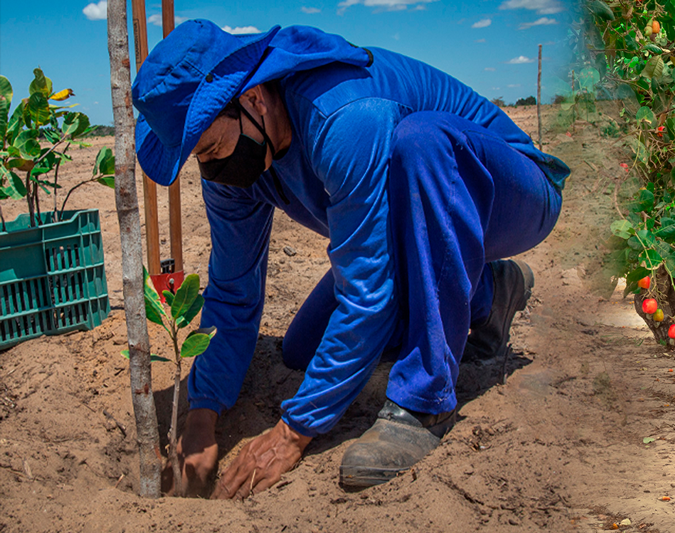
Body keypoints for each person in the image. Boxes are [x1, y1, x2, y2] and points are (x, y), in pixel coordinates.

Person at [131, 20, 569, 499]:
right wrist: (201, 416)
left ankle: (424, 400)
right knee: (302, 350)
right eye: (198, 156)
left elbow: (367, 294)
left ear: (254, 98)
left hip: (510, 194)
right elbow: (233, 291)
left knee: (420, 141)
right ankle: (489, 291)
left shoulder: (342, 118)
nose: (211, 169)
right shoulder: (234, 168)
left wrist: (292, 432)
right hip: (418, 231)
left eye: (212, 147)